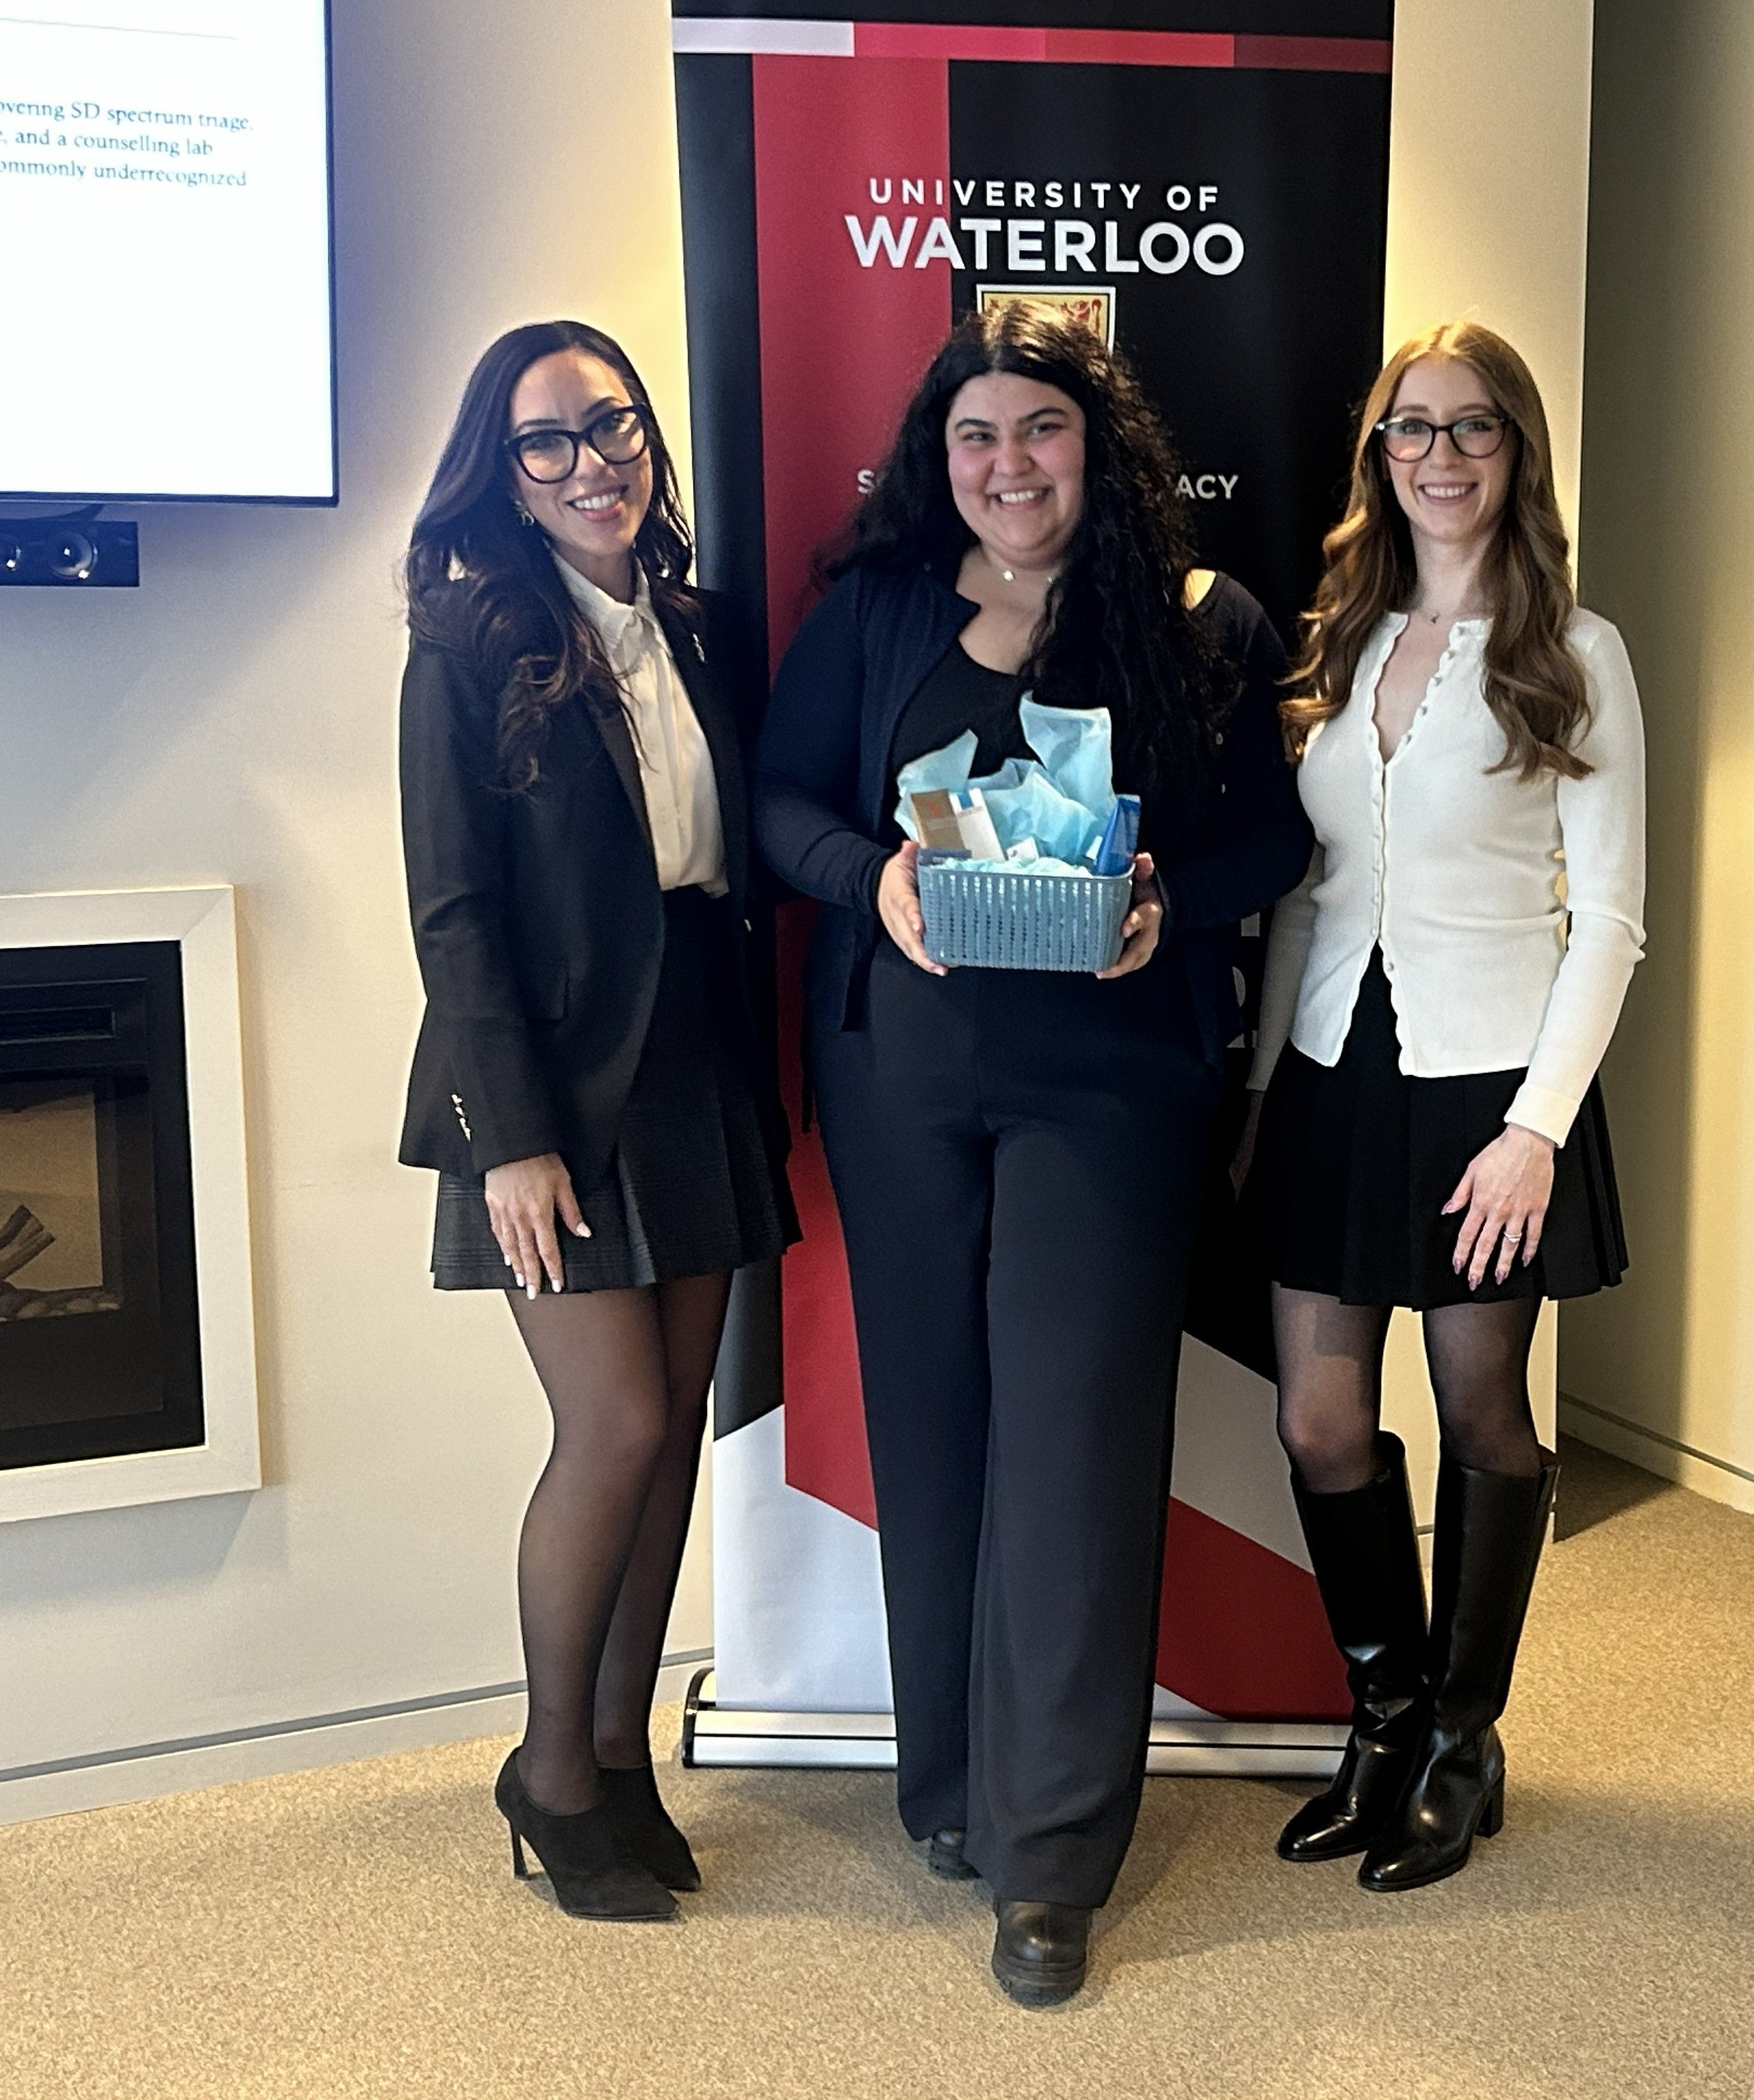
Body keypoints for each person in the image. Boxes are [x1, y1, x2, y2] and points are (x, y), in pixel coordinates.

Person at [756, 308, 1310, 2005]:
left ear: (1101, 446)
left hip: (1112, 1088)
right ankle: (950, 1786)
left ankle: (1051, 1858)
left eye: (1045, 434)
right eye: (979, 436)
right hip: (900, 1081)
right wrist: (879, 883)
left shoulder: (1198, 625)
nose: (1011, 467)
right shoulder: (874, 614)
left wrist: (1167, 903)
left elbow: (1273, 841)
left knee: (1071, 1441)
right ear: (943, 455)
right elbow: (782, 805)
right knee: (934, 1428)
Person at [399, 320, 794, 1924]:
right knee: (612, 1429)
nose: (589, 464)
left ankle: (621, 1758)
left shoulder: (691, 624)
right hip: (550, 1092)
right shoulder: (468, 643)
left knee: (674, 1429)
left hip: (697, 1055)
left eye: (611, 427)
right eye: (547, 442)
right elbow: (451, 912)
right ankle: (550, 1767)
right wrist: (512, 1137)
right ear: (502, 476)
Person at [1244, 321, 1646, 1892]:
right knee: (1321, 1414)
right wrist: (1267, 1089)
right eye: (1412, 432)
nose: (1442, 457)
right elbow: (1307, 897)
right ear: (1379, 459)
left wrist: (1538, 1128)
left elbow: (1606, 917)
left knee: (1481, 1408)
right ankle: (1384, 1715)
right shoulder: (1341, 640)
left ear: (1517, 452)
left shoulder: (1577, 653)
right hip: (1339, 1071)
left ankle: (1465, 1745)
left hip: (1493, 1087)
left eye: (1473, 429)